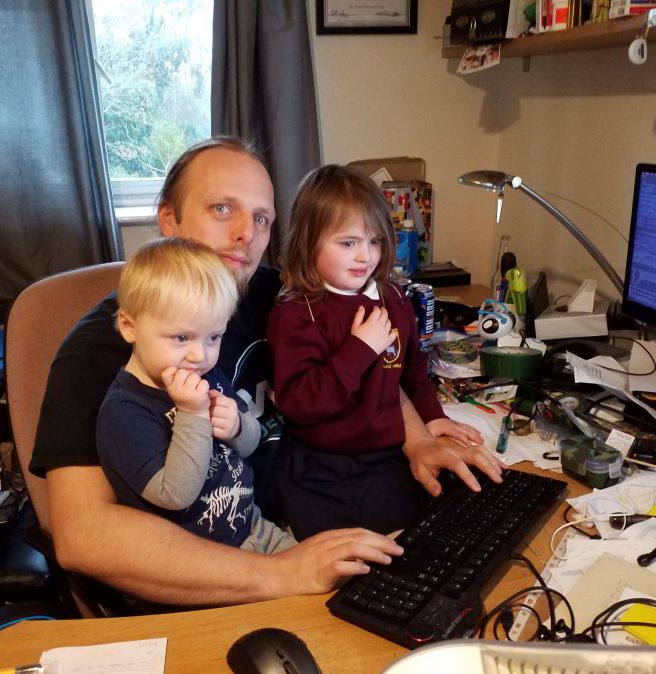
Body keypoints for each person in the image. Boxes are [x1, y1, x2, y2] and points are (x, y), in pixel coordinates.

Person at [30, 136, 500, 607]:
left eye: (261, 218)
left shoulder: (284, 296)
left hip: (302, 520)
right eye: (221, 208)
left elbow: (373, 370)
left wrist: (418, 440)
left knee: (470, 577)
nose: (245, 234)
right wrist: (282, 572)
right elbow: (83, 535)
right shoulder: (104, 347)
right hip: (224, 579)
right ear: (168, 218)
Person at [268, 164, 503, 539]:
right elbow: (300, 403)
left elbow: (412, 373)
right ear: (308, 241)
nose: (365, 256)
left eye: (374, 241)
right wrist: (359, 349)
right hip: (319, 468)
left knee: (418, 537)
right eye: (348, 243)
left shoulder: (393, 300)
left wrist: (431, 417)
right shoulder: (296, 312)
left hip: (384, 457)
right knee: (340, 562)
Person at [97, 237, 294, 554]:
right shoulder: (124, 411)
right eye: (181, 337)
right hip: (202, 558)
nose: (199, 355)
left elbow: (249, 443)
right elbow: (175, 494)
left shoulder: (204, 374)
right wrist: (193, 414)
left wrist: (238, 427)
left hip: (251, 526)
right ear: (129, 326)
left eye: (214, 336)